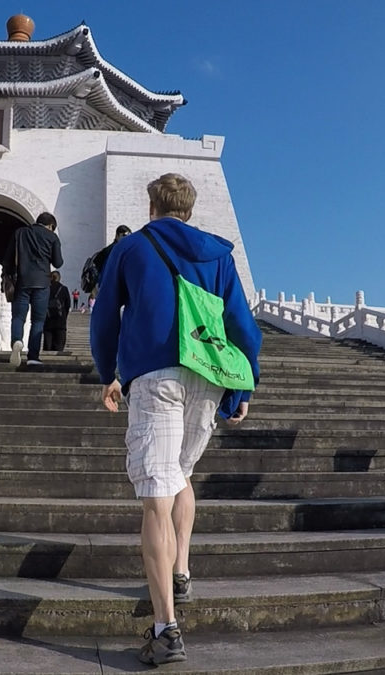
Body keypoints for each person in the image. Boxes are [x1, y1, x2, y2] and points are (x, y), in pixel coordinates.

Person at [90, 173, 261, 666]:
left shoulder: (132, 248)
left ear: (152, 205)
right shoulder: (218, 255)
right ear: (189, 208)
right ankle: (181, 569)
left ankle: (166, 629)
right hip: (207, 376)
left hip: (156, 374)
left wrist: (109, 373)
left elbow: (105, 318)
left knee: (155, 499)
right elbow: (242, 325)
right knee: (181, 474)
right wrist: (242, 385)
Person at [2, 212, 63, 366]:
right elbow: (58, 262)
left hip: (22, 282)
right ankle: (33, 357)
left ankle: (17, 341)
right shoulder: (52, 237)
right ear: (50, 226)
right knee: (37, 321)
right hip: (42, 283)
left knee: (18, 317)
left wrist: (7, 276)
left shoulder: (20, 232)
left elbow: (8, 258)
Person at [90, 225, 132, 296]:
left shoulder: (113, 249)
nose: (127, 238)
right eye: (124, 235)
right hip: (107, 287)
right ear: (117, 236)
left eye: (129, 236)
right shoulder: (114, 250)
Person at [43, 271, 70, 353]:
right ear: (59, 278)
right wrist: (64, 316)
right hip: (60, 322)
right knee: (59, 347)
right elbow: (68, 304)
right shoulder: (64, 289)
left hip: (48, 321)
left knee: (48, 347)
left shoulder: (46, 288)